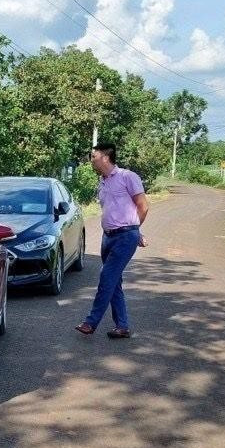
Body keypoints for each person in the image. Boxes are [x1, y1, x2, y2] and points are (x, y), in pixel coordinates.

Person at [76, 142, 149, 339]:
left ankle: (91, 323)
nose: (91, 160)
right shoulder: (103, 181)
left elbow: (143, 206)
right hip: (107, 237)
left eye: (93, 156)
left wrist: (135, 230)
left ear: (105, 158)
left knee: (106, 277)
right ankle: (122, 326)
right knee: (114, 281)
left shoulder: (128, 177)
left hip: (125, 236)